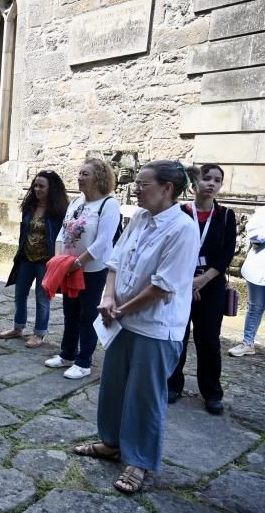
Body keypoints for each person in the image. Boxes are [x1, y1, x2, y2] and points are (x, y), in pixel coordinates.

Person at [76, 160, 199, 494]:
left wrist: (120, 310)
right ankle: (112, 443)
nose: (136, 189)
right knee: (113, 386)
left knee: (144, 396)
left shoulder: (182, 229)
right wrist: (108, 296)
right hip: (121, 319)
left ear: (167, 188)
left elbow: (162, 286)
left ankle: (139, 461)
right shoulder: (140, 218)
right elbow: (115, 260)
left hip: (155, 328)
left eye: (143, 184)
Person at [167, 164, 236, 414]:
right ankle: (172, 385)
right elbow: (173, 248)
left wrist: (202, 280)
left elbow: (226, 253)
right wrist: (188, 281)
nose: (211, 184)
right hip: (181, 283)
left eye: (217, 180)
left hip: (211, 286)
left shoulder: (226, 216)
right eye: (206, 178)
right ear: (196, 182)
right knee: (178, 335)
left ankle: (211, 392)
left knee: (208, 340)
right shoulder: (181, 213)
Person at [44, 158, 121, 379]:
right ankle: (66, 353)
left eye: (85, 174)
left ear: (99, 177)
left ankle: (84, 361)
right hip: (68, 268)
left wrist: (77, 263)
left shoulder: (109, 205)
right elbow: (63, 232)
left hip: (92, 270)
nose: (79, 177)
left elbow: (104, 241)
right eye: (79, 173)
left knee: (87, 315)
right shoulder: (76, 202)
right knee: (70, 312)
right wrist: (59, 260)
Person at [0, 170, 69, 347]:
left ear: (51, 188)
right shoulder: (30, 207)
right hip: (26, 259)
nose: (37, 189)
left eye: (41, 186)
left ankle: (39, 333)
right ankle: (18, 327)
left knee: (42, 298)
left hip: (46, 262)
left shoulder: (59, 211)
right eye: (35, 185)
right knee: (19, 295)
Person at [228, 204, 265, 357]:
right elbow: (253, 234)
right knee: (255, 306)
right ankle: (247, 342)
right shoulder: (262, 212)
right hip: (259, 265)